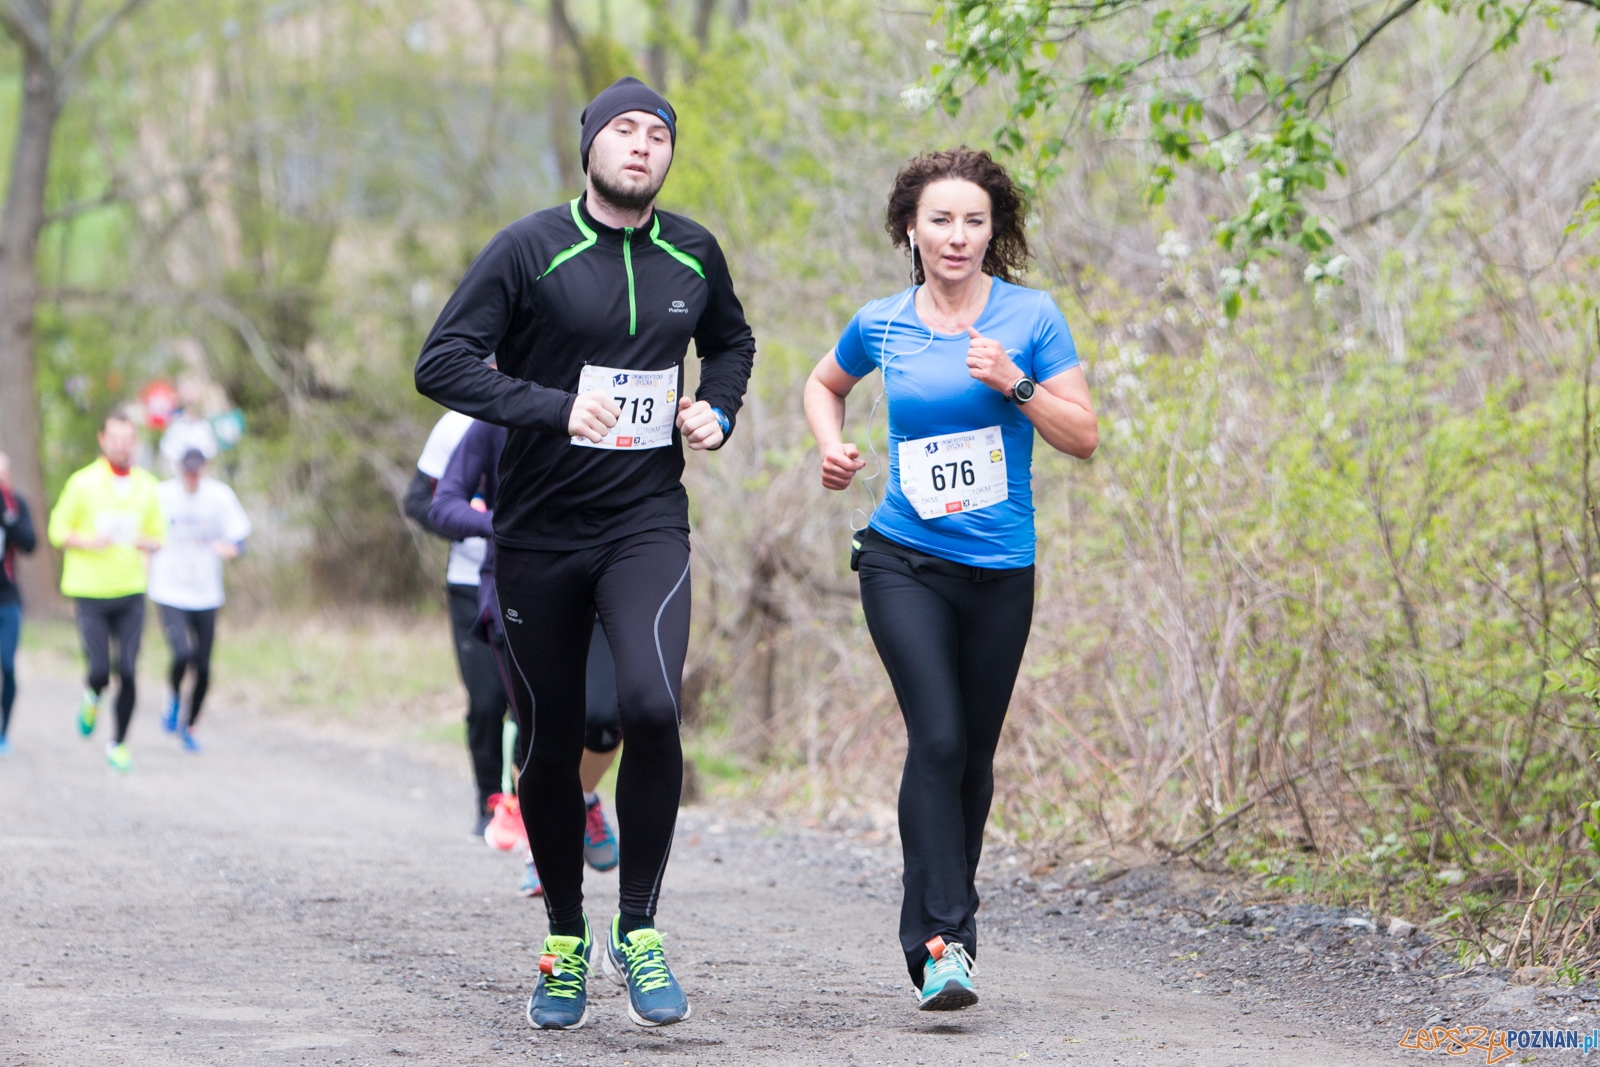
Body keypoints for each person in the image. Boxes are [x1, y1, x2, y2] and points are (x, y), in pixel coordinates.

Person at [415, 75, 755, 1031]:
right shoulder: (529, 248)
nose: (642, 146)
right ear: (591, 146)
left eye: (658, 134)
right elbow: (440, 361)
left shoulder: (694, 251)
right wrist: (554, 406)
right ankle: (565, 937)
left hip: (645, 519)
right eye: (624, 131)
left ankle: (637, 927)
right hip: (536, 534)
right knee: (553, 738)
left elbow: (733, 342)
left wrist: (716, 407)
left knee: (649, 705)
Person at [802, 149, 1097, 1011]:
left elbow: (1082, 435)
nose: (957, 236)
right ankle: (943, 942)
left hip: (1001, 570)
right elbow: (824, 384)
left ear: (994, 229)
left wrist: (1017, 382)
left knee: (971, 756)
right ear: (910, 229)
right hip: (903, 559)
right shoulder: (884, 321)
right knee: (936, 738)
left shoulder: (1032, 317)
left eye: (974, 220)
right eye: (941, 220)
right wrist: (832, 445)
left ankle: (941, 932)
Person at [429, 418, 624, 899]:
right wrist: (500, 522)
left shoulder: (611, 395)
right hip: (518, 584)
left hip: (602, 577)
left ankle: (580, 798)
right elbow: (443, 505)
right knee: (539, 726)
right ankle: (543, 849)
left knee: (605, 718)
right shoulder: (495, 419)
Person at [405, 408, 506, 838]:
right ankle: (489, 804)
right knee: (486, 703)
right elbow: (417, 501)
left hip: (534, 581)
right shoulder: (456, 424)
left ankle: (526, 808)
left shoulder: (562, 405)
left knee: (535, 708)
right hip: (469, 582)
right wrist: (474, 523)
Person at [47, 410, 165, 774]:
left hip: (130, 590)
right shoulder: (82, 483)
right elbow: (56, 531)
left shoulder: (148, 486)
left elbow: (160, 534)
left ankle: (119, 744)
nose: (122, 445)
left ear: (135, 442)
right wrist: (87, 540)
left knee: (128, 670)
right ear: (102, 440)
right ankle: (92, 695)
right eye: (115, 438)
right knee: (100, 670)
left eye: (128, 439)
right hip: (90, 592)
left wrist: (151, 542)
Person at [148, 448, 252, 752]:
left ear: (204, 469)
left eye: (196, 471)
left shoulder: (219, 496)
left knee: (204, 667)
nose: (191, 477)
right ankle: (172, 697)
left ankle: (190, 725)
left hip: (206, 593)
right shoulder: (162, 494)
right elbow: (144, 532)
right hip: (170, 590)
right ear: (179, 470)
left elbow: (240, 536)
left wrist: (232, 549)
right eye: (186, 471)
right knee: (182, 654)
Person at [0, 452, 38, 756]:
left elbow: (29, 544)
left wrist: (8, 517)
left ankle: (3, 733)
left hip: (8, 599)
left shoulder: (15, 505)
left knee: (8, 666)